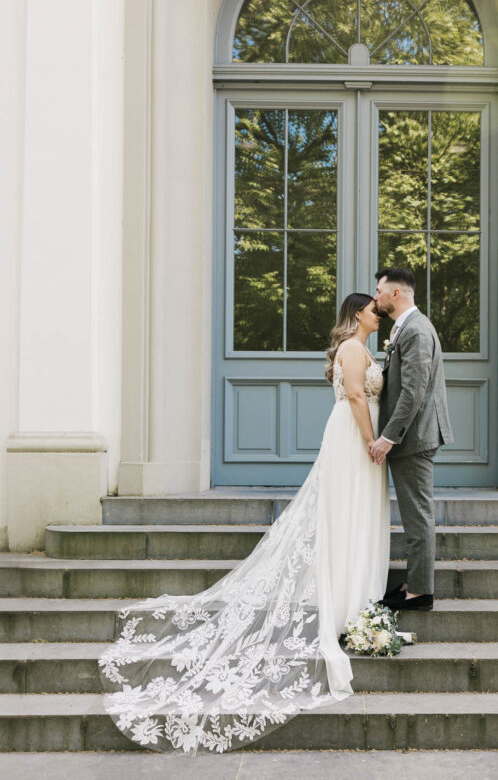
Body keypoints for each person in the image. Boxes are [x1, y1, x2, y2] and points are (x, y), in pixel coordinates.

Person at [99, 294, 389, 754]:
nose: (381, 313)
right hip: (354, 437)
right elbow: (355, 394)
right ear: (358, 314)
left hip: (359, 436)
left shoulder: (367, 347)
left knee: (352, 515)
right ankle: (344, 598)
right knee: (341, 514)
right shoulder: (353, 349)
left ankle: (354, 596)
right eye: (375, 309)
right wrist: (373, 441)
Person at [369, 267, 453, 612]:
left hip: (414, 438)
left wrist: (389, 437)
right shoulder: (406, 328)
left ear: (395, 294)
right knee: (412, 512)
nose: (375, 297)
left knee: (417, 515)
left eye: (378, 291)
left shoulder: (416, 330)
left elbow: (413, 391)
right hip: (412, 436)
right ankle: (414, 581)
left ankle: (420, 592)